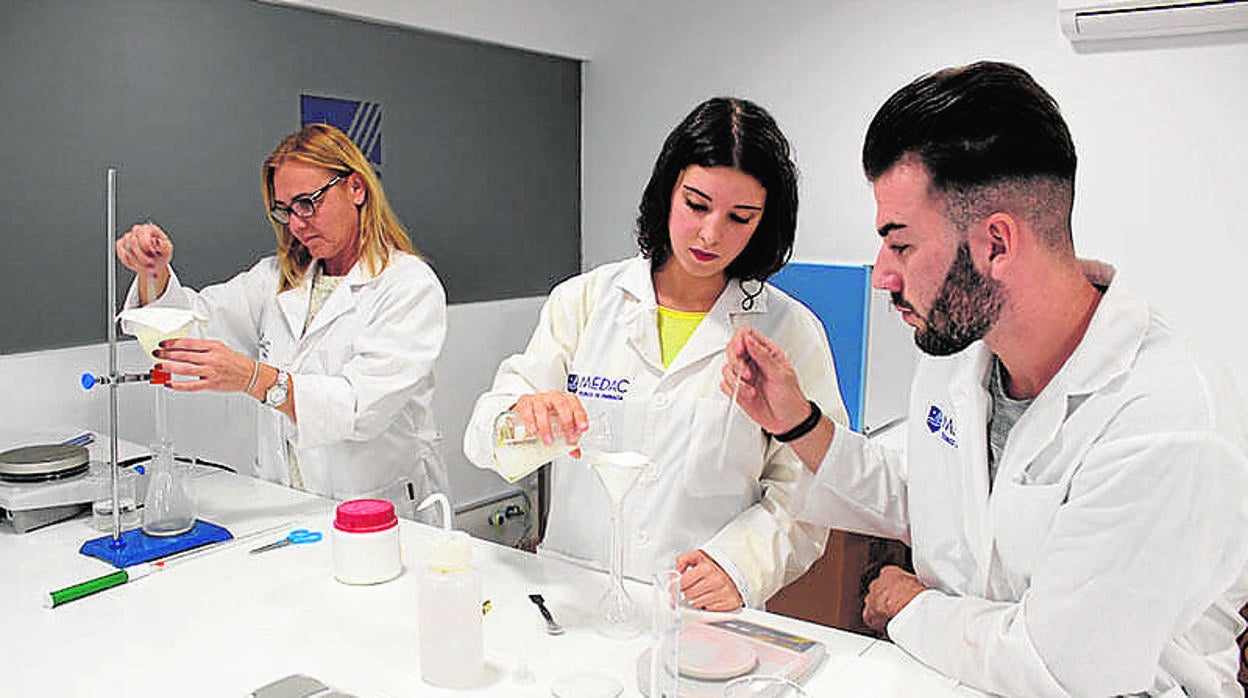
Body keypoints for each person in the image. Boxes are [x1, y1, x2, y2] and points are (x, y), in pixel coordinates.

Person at [724, 61, 1248, 697]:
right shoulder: (958, 358)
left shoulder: (1166, 418)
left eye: (902, 244)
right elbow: (931, 496)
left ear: (997, 243)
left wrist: (909, 607)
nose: (883, 276)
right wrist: (796, 422)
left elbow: (1060, 669)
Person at [463, 97, 849, 611]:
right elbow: (485, 435)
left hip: (695, 608)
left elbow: (807, 487)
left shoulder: (788, 330)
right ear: (667, 191)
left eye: (740, 217)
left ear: (763, 223)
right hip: (571, 593)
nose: (712, 233)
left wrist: (740, 564)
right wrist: (522, 418)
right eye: (696, 204)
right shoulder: (585, 301)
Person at [116, 123, 449, 519]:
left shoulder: (407, 285)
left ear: (356, 189)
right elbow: (188, 333)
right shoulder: (275, 278)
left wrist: (255, 378)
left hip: (379, 511)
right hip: (285, 505)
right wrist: (153, 272)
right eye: (286, 210)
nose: (296, 223)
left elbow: (360, 407)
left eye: (308, 203)